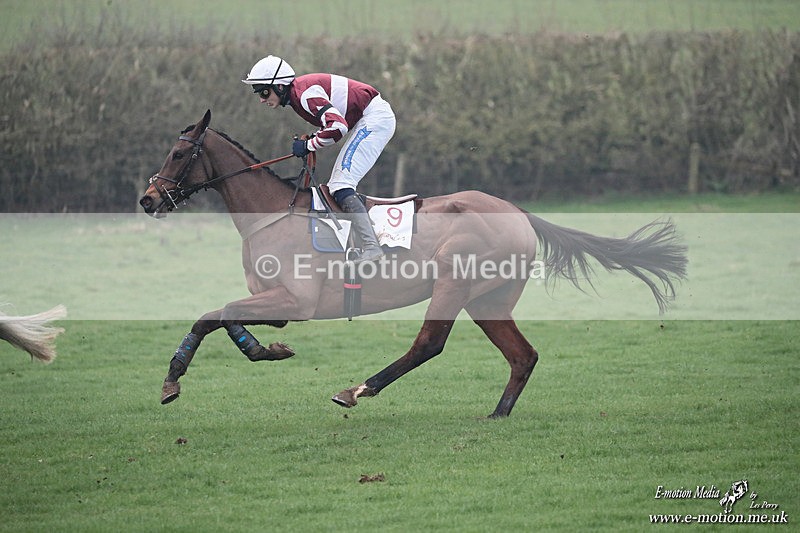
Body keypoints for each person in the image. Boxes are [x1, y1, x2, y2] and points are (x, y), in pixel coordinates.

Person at [242, 55, 395, 263]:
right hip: (368, 118)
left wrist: (308, 145)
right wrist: (312, 140)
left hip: (374, 118)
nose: (261, 98)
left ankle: (371, 246)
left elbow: (338, 127)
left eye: (264, 91)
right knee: (337, 184)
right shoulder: (298, 95)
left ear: (279, 86)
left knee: (341, 184)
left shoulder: (303, 95)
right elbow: (333, 125)